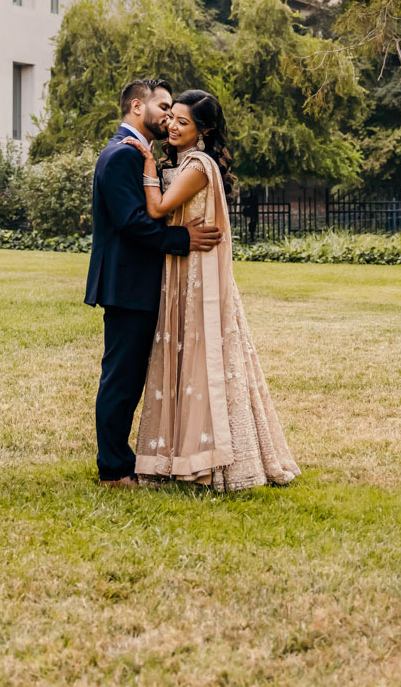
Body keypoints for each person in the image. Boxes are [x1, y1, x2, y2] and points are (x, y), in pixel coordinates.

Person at [131, 89, 299, 491]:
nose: (172, 125)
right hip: (180, 268)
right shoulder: (186, 161)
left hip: (197, 275)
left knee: (204, 358)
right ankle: (178, 452)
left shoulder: (198, 165)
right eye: (171, 117)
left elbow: (157, 209)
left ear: (203, 131)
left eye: (183, 123)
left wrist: (149, 164)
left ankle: (215, 458)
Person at [87, 77, 222, 487]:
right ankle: (112, 469)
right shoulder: (122, 156)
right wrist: (182, 239)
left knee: (130, 378)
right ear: (136, 108)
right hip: (128, 285)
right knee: (122, 379)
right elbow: (132, 224)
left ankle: (128, 460)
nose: (168, 116)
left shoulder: (140, 154)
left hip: (138, 283)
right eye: (163, 107)